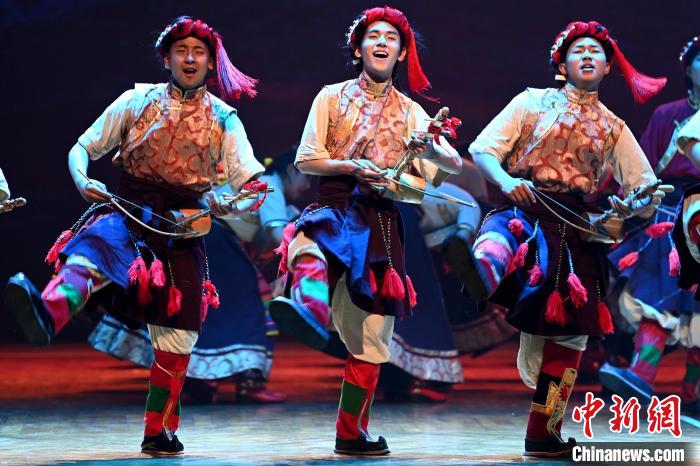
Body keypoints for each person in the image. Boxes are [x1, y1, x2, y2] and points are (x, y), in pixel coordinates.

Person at [3, 16, 264, 455]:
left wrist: (229, 202)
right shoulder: (136, 100)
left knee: (178, 336)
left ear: (210, 62)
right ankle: (47, 315)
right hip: (128, 210)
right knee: (90, 254)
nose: (190, 58)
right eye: (181, 50)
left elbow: (253, 184)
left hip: (182, 226)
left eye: (199, 52)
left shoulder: (224, 118)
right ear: (166, 59)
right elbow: (82, 147)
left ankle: (158, 430)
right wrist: (82, 179)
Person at [449, 21, 669, 457]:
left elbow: (643, 187)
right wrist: (505, 181)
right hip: (526, 207)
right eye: (578, 50)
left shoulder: (613, 126)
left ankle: (543, 433)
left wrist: (632, 205)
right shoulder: (530, 102)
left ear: (607, 67)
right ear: (562, 65)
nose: (587, 56)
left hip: (575, 230)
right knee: (500, 240)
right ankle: (481, 275)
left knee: (571, 338)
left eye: (595, 52)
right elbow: (483, 149)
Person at [269, 6, 462, 455]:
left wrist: (430, 146)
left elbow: (450, 166)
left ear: (401, 53)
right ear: (358, 48)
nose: (382, 43)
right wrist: (352, 166)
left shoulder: (412, 112)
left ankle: (351, 432)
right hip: (336, 206)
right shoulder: (330, 97)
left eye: (391, 38)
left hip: (381, 224)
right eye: (373, 36)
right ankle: (309, 308)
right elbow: (307, 159)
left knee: (372, 338)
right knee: (309, 246)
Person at [88, 150, 309, 404]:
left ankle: (199, 379)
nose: (307, 187)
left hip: (207, 235)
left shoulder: (278, 197)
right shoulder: (270, 184)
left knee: (205, 312)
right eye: (306, 178)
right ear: (290, 170)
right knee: (254, 306)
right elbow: (276, 236)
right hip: (215, 236)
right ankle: (247, 381)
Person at [601, 36, 700, 416]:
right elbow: (641, 169)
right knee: (658, 297)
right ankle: (642, 373)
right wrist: (626, 204)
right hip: (671, 216)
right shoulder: (667, 115)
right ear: (688, 69)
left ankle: (693, 388)